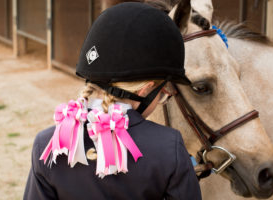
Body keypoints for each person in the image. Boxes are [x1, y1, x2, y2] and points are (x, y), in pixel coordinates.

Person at [24, 2, 201, 200]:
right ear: (146, 89)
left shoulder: (47, 143)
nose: (162, 97)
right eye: (163, 93)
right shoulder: (170, 148)